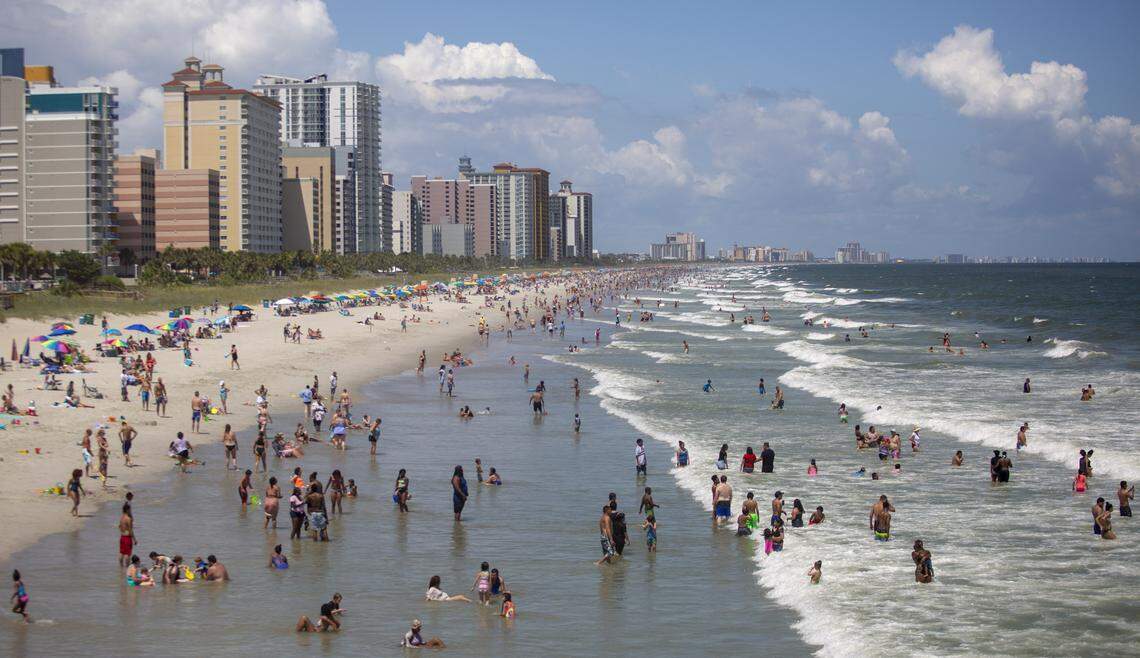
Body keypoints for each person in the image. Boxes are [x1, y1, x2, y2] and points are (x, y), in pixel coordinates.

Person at [118, 503, 135, 567]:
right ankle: (127, 567)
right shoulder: (128, 518)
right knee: (128, 554)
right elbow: (130, 530)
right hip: (127, 537)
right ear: (127, 509)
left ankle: (121, 567)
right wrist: (134, 539)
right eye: (130, 509)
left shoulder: (122, 517)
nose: (131, 510)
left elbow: (119, 526)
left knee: (122, 553)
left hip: (122, 537)